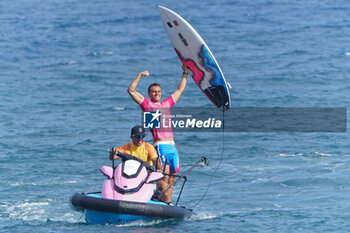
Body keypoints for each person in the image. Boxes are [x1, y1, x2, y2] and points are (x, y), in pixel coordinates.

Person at [127, 65, 189, 203]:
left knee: (173, 177)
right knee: (164, 177)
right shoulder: (147, 105)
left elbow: (180, 90)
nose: (157, 94)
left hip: (172, 145)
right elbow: (131, 90)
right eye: (154, 92)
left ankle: (168, 204)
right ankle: (164, 202)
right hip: (160, 145)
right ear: (149, 94)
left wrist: (185, 73)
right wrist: (140, 75)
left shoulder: (167, 104)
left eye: (159, 91)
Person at [109, 125, 170, 203]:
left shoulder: (148, 147)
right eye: (137, 136)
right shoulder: (126, 147)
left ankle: (168, 204)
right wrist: (113, 152)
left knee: (162, 184)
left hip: (145, 178)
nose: (140, 139)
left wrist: (159, 168)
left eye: (142, 136)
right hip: (127, 177)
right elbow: (113, 157)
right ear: (131, 137)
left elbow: (155, 160)